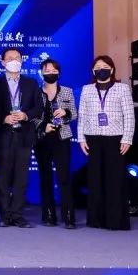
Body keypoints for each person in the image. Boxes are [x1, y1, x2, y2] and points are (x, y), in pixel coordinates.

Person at [77, 55, 135, 231]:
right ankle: (96, 219)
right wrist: (81, 138)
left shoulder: (122, 88)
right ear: (93, 71)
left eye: (104, 67)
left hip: (115, 138)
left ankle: (115, 220)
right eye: (97, 67)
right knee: (95, 179)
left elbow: (129, 115)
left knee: (114, 179)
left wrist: (127, 138)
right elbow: (82, 115)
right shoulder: (87, 89)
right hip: (93, 138)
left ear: (112, 69)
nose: (101, 69)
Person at [0, 47, 42, 228]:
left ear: (22, 61)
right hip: (4, 135)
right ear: (3, 62)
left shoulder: (31, 83)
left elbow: (39, 108)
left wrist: (26, 115)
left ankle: (17, 214)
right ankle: (5, 214)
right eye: (10, 58)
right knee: (3, 176)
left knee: (21, 177)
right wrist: (3, 118)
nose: (14, 61)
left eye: (17, 58)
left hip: (24, 135)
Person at [34, 59, 78, 229]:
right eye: (47, 70)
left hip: (62, 138)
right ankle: (49, 215)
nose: (50, 73)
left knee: (64, 177)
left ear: (58, 73)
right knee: (45, 177)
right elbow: (31, 116)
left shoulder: (67, 91)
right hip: (42, 139)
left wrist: (65, 112)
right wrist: (42, 125)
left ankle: (69, 216)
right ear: (42, 73)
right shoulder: (36, 92)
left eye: (54, 70)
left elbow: (74, 114)